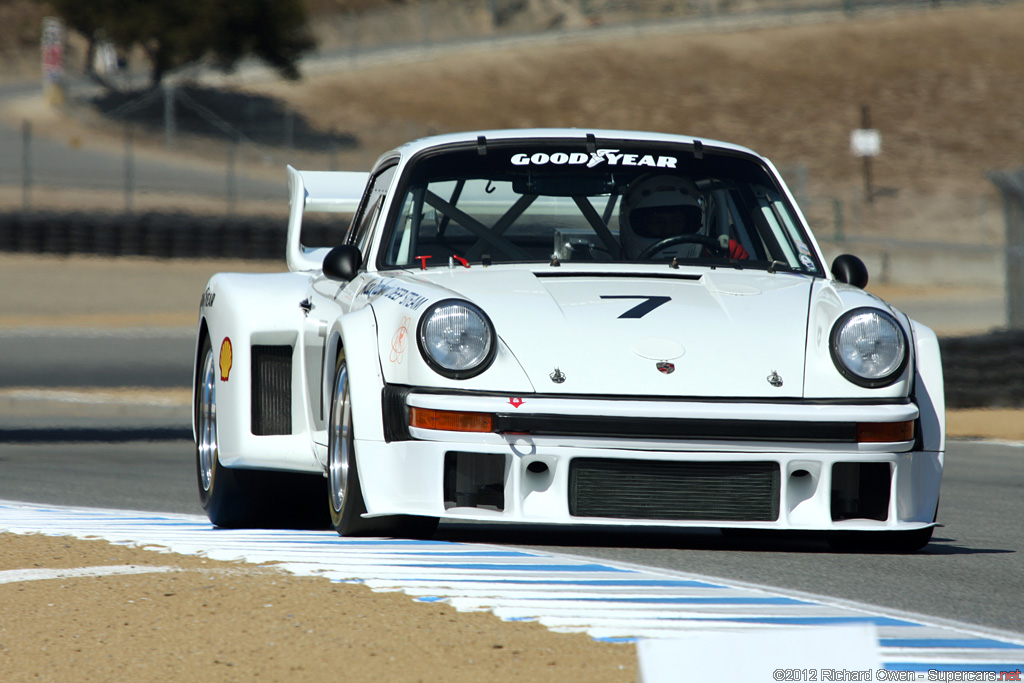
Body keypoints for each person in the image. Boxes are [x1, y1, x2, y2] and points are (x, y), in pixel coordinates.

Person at [618, 174, 749, 260]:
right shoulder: (602, 262)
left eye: (677, 220)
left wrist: (729, 259)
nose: (668, 230)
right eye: (656, 221)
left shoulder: (726, 254)